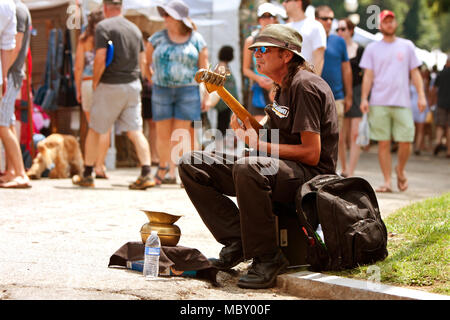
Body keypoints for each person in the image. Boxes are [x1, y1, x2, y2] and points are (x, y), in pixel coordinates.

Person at [178, 24, 338, 289]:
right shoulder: (280, 88)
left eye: (263, 49)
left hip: (311, 177)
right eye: (254, 50)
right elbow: (272, 138)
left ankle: (268, 257)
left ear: (286, 55)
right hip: (281, 169)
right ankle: (238, 240)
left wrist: (259, 146)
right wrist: (247, 130)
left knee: (248, 167)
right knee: (192, 163)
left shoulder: (305, 86)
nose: (256, 55)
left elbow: (311, 154)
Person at [72, 0, 155, 189]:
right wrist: (139, 81)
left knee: (95, 129)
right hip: (133, 85)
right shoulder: (135, 29)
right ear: (121, 7)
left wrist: (95, 81)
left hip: (110, 84)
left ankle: (87, 174)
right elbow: (142, 61)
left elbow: (101, 57)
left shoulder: (103, 26)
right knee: (135, 131)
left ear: (105, 7)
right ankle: (146, 172)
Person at [359, 10, 426, 193]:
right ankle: (387, 181)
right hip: (378, 101)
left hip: (402, 101)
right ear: (380, 25)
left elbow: (415, 73)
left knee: (406, 141)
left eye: (391, 21)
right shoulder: (372, 48)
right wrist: (364, 98)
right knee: (383, 143)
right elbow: (368, 76)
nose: (389, 24)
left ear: (395, 24)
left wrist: (421, 95)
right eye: (385, 21)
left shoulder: (407, 46)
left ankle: (400, 169)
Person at [145, 0, 208, 185]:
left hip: (188, 90)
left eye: (168, 14)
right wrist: (151, 78)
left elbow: (204, 69)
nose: (164, 18)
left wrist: (205, 93)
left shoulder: (196, 39)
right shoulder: (156, 38)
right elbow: (146, 61)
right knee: (162, 133)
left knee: (181, 134)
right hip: (161, 89)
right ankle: (163, 168)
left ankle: (183, 172)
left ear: (179, 19)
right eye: (163, 14)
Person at [315, 6, 352, 177]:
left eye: (331, 19)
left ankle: (334, 173)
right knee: (315, 137)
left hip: (336, 97)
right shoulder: (310, 37)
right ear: (316, 20)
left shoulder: (339, 41)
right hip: (313, 97)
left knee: (336, 138)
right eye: (324, 18)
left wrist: (349, 94)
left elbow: (346, 69)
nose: (329, 22)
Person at [74, 9, 110, 179]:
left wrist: (78, 88)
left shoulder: (83, 39)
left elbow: (79, 67)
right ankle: (100, 166)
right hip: (105, 83)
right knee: (106, 128)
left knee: (93, 127)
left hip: (87, 82)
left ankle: (91, 163)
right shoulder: (108, 37)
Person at [0, 0, 32, 189]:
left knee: (2, 124)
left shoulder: (16, 9)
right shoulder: (19, 8)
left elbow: (16, 45)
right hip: (12, 73)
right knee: (8, 122)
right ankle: (13, 170)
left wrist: (4, 73)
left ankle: (20, 173)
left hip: (10, 73)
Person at [242, 2, 286, 121]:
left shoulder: (282, 40)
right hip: (258, 89)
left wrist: (273, 82)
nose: (266, 20)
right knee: (260, 129)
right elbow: (245, 69)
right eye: (263, 17)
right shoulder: (251, 40)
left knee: (275, 131)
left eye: (269, 16)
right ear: (258, 19)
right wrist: (259, 79)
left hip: (277, 88)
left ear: (275, 19)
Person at [336, 17, 364, 177]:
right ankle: (344, 168)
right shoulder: (335, 48)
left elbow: (366, 74)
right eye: (338, 29)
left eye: (343, 29)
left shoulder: (359, 50)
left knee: (355, 134)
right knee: (340, 136)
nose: (340, 32)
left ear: (351, 31)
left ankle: (351, 171)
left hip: (357, 92)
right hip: (341, 92)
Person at [283, 0, 326, 75]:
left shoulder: (315, 26)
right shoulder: (285, 28)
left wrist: (312, 84)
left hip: (306, 83)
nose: (283, 4)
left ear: (298, 3)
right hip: (287, 83)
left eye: (287, 1)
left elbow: (319, 60)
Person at [140, 33, 159, 167]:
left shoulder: (155, 56)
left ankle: (155, 156)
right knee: (142, 127)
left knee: (154, 127)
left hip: (152, 92)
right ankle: (147, 156)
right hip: (143, 93)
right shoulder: (141, 56)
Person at [430, 56, 450, 158]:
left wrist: (431, 101)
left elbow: (433, 89)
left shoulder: (441, 73)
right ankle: (449, 150)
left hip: (441, 102)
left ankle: (438, 141)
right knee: (449, 126)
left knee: (440, 125)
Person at [410, 66, 430, 155]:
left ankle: (416, 146)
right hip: (415, 106)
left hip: (417, 105)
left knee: (417, 129)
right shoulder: (424, 82)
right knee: (418, 129)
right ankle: (416, 146)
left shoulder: (412, 81)